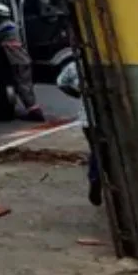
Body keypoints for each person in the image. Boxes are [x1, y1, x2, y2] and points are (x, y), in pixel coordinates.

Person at [57, 60, 100, 206]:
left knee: (96, 151)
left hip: (87, 119)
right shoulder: (99, 66)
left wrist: (77, 94)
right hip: (101, 119)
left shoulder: (76, 65)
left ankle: (95, 178)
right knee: (102, 152)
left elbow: (61, 82)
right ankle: (96, 177)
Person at [0, 3, 45, 122]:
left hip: (16, 60)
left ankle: (35, 113)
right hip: (22, 59)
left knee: (23, 86)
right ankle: (34, 109)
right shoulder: (13, 25)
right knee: (26, 85)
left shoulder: (5, 26)